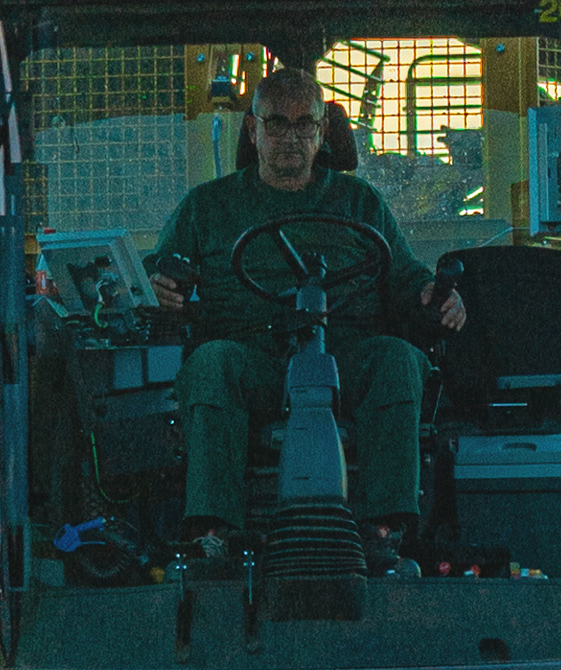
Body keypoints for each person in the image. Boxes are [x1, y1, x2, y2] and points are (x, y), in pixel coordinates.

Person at [150, 59, 465, 566]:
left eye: (305, 124)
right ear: (252, 129)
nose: (291, 137)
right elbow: (162, 271)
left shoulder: (361, 203)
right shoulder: (206, 207)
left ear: (323, 132)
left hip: (345, 357)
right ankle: (213, 534)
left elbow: (407, 279)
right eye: (277, 122)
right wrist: (162, 285)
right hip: (253, 360)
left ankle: (382, 531)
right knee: (210, 364)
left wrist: (437, 294)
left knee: (398, 360)